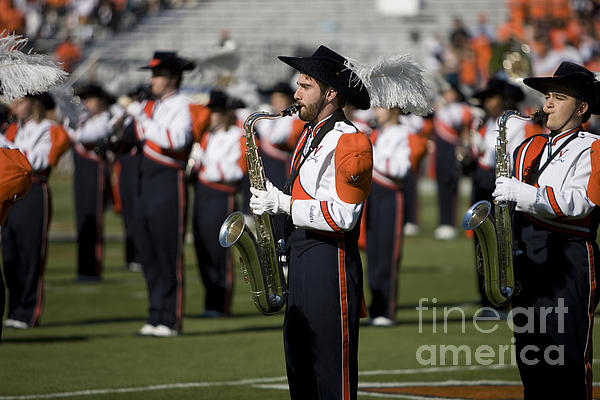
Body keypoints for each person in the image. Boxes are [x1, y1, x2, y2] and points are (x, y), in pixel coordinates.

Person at [250, 45, 373, 400]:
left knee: (331, 377)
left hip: (329, 265)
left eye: (305, 85)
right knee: (300, 372)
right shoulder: (308, 135)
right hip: (302, 260)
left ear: (331, 93)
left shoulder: (351, 142)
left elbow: (343, 216)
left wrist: (284, 203)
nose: (296, 93)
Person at [493, 61, 600, 399]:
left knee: (566, 362)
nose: (548, 103)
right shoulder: (528, 147)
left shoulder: (594, 147)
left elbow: (581, 203)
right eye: (547, 96)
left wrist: (527, 195)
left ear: (582, 108)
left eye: (559, 97)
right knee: (532, 361)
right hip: (527, 258)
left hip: (568, 258)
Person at [125, 51, 195, 337]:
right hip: (144, 181)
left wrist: (141, 119)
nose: (152, 80)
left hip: (168, 182)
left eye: (158, 75)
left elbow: (175, 140)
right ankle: (155, 314)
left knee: (168, 253)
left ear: (172, 78)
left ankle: (170, 318)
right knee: (148, 251)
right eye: (152, 75)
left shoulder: (183, 105)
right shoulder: (151, 106)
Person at [2, 93, 69, 329]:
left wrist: (13, 155)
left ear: (34, 103)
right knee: (9, 255)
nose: (14, 105)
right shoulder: (11, 129)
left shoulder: (50, 128)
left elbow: (40, 161)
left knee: (30, 254)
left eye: (20, 101)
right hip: (10, 195)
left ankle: (28, 312)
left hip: (35, 191)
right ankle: (14, 309)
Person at [365, 106, 427, 327]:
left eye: (380, 107)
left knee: (387, 254)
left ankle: (387, 309)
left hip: (390, 194)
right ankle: (376, 306)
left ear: (392, 109)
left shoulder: (404, 134)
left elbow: (401, 169)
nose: (376, 111)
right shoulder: (376, 132)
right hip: (372, 195)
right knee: (372, 253)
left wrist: (370, 151)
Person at [470, 77, 526, 309]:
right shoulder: (486, 122)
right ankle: (486, 296)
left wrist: (480, 145)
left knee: (502, 240)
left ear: (503, 99)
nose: (486, 103)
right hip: (482, 181)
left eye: (491, 98)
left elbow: (502, 157)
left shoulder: (514, 123)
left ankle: (504, 297)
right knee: (482, 243)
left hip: (499, 183)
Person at [190, 89, 246, 317]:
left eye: (213, 112)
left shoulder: (237, 135)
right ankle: (209, 302)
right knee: (202, 248)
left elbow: (238, 169)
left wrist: (207, 168)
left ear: (223, 113)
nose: (209, 117)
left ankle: (220, 303)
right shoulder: (204, 136)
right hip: (202, 194)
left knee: (219, 251)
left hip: (223, 195)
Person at [68, 83, 119, 281]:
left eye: (90, 99)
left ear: (102, 101)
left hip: (95, 174)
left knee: (93, 220)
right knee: (82, 220)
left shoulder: (105, 119)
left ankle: (92, 268)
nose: (86, 104)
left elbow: (83, 136)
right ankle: (83, 268)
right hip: (82, 175)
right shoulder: (84, 118)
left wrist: (69, 128)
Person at [256, 82, 304, 240]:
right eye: (274, 98)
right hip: (267, 167)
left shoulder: (294, 119)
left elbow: (279, 138)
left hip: (282, 170)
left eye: (279, 98)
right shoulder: (270, 117)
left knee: (280, 209)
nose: (275, 102)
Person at [432, 82, 474, 240]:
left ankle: (451, 223)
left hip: (454, 149)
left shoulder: (462, 109)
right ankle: (443, 222)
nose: (447, 95)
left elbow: (460, 125)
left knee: (452, 186)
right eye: (446, 92)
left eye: (450, 92)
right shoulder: (440, 108)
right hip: (440, 150)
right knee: (441, 185)